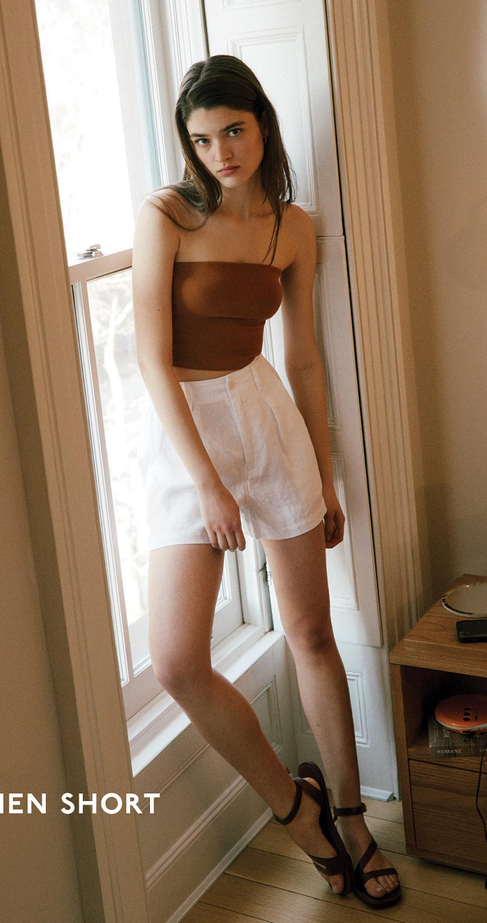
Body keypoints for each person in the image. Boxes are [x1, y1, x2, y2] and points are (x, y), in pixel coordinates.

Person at [131, 54, 401, 908]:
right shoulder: (167, 216)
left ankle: (352, 817)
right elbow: (151, 360)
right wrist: (208, 483)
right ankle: (296, 809)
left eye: (234, 131)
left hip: (267, 417)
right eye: (202, 138)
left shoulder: (293, 227)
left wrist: (324, 477)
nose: (221, 152)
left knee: (312, 630)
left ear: (262, 125)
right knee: (176, 660)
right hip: (189, 436)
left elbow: (305, 359)